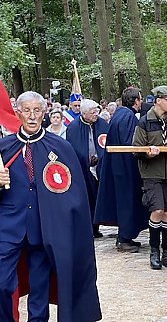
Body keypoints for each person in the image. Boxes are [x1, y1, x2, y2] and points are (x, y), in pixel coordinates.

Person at [0, 91, 101, 322]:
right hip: (9, 228)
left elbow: (74, 193)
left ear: (45, 113)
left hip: (44, 229)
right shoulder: (4, 147)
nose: (32, 116)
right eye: (27, 111)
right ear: (18, 113)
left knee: (39, 290)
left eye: (37, 111)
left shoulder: (60, 147)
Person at [132, 85, 167, 270]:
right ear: (157, 101)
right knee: (158, 210)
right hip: (151, 173)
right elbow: (136, 149)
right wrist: (148, 153)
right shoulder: (144, 122)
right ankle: (154, 252)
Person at [95, 87, 148, 253]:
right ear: (135, 101)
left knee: (124, 201)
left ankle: (126, 236)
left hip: (118, 166)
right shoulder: (127, 116)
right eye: (140, 99)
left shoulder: (119, 114)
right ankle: (124, 238)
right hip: (125, 167)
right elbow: (129, 143)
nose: (141, 102)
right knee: (127, 201)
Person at [65, 99, 108, 239]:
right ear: (83, 113)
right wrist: (86, 158)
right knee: (87, 198)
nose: (96, 114)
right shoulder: (74, 127)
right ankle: (88, 228)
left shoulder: (102, 124)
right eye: (92, 112)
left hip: (100, 167)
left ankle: (97, 226)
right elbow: (73, 149)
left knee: (98, 198)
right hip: (83, 169)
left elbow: (106, 142)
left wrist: (99, 156)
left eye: (97, 110)